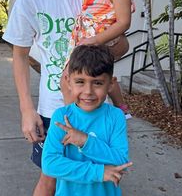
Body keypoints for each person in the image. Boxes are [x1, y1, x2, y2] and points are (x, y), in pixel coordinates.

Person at [2, 0, 95, 195]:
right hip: (51, 110)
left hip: (93, 108)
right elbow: (19, 55)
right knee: (50, 178)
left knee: (88, 178)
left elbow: (117, 47)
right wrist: (26, 110)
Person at [42, 44, 133, 196]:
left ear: (110, 84)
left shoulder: (116, 116)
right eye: (80, 82)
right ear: (68, 81)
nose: (88, 91)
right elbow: (50, 164)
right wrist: (99, 172)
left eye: (97, 83)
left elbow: (121, 161)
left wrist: (85, 141)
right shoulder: (62, 117)